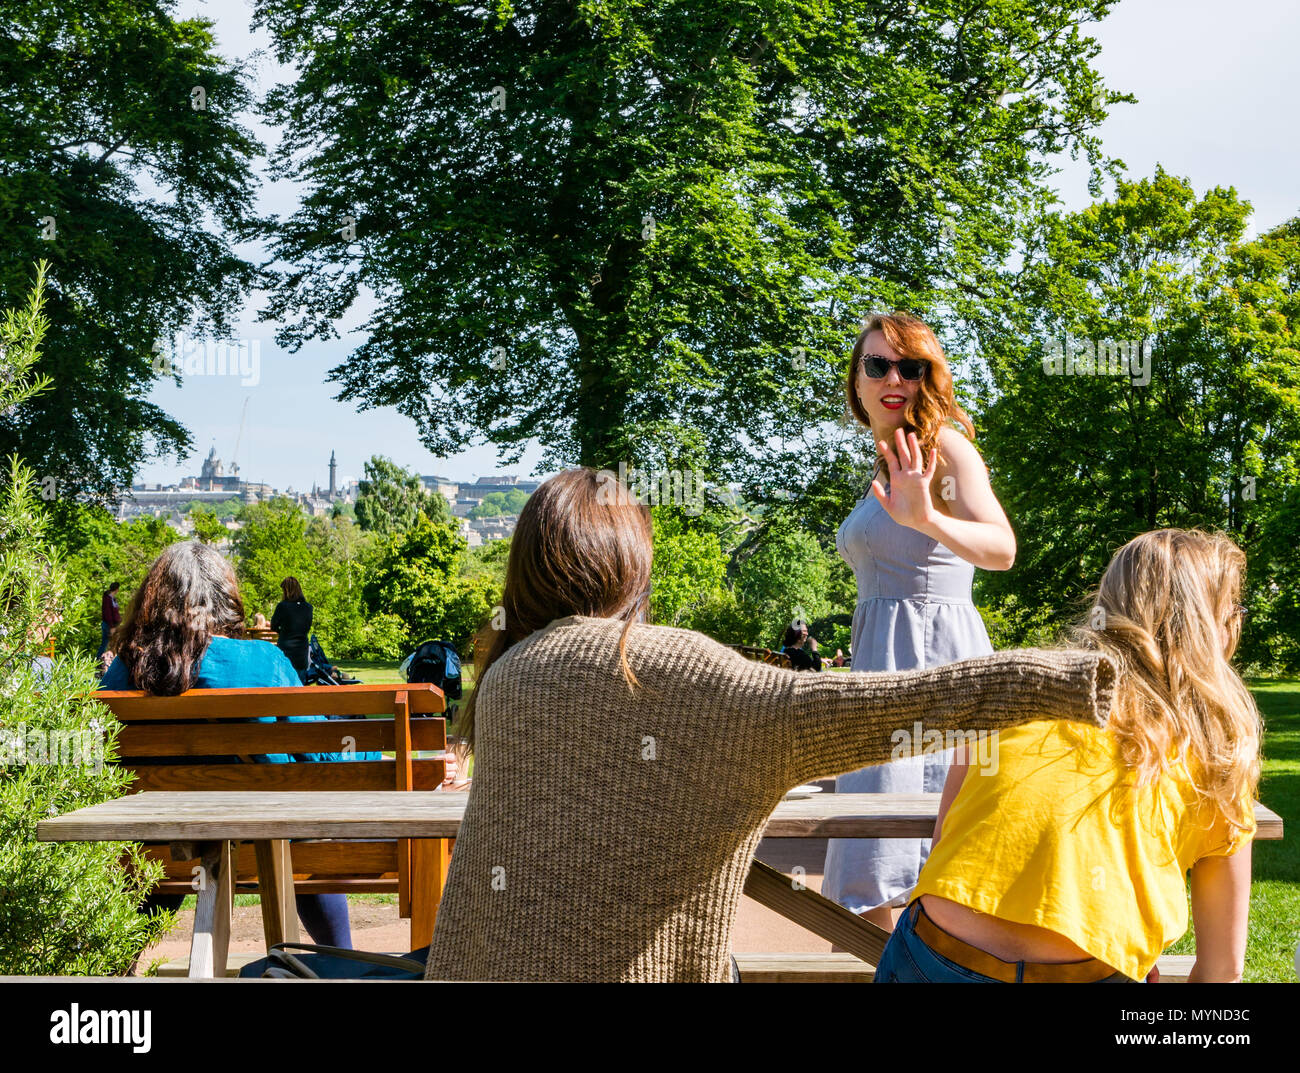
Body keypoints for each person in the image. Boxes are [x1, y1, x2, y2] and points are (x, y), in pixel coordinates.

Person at [421, 467, 1116, 982]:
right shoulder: (677, 674)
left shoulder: (504, 678)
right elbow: (893, 707)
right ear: (630, 564)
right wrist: (1064, 681)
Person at [876, 529, 1261, 983]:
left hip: (935, 950)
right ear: (1211, 623)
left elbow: (946, 842)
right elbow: (1221, 969)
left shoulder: (1019, 687)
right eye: (1233, 608)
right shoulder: (1216, 744)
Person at [822, 311, 1016, 934]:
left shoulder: (943, 447)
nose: (893, 378)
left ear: (929, 376)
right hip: (880, 668)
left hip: (935, 664)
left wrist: (927, 518)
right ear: (857, 380)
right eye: (877, 365)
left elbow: (1002, 549)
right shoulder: (887, 459)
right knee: (877, 857)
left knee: (914, 855)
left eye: (911, 366)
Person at [101, 542, 360, 948]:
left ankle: (117, 965)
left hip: (158, 846)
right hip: (268, 842)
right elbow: (321, 756)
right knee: (302, 827)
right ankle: (342, 960)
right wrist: (374, 756)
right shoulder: (264, 661)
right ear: (226, 600)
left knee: (163, 828)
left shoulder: (123, 669)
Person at [271, 577, 313, 683]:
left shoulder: (282, 606)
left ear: (286, 591)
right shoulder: (308, 608)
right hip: (302, 649)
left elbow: (273, 626)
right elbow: (307, 627)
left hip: (286, 648)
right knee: (300, 682)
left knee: (284, 682)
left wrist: (284, 632)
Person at [99, 582, 120, 657]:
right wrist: (111, 627)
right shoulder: (108, 599)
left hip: (113, 625)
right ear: (116, 589)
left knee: (112, 644)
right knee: (105, 644)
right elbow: (108, 614)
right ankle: (98, 661)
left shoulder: (113, 599)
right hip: (109, 625)